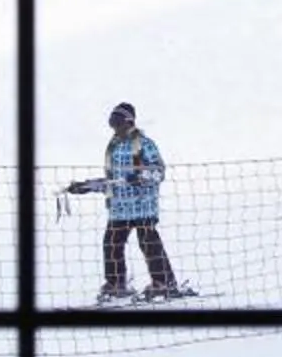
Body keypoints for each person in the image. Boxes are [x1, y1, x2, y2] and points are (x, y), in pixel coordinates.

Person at [66, 103, 191, 303]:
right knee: (112, 244)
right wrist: (87, 186)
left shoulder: (144, 144)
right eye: (112, 124)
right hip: (119, 209)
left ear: (129, 122)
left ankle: (164, 283)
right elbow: (111, 181)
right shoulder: (113, 147)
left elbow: (159, 171)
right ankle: (116, 285)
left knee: (149, 243)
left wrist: (142, 175)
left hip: (142, 207)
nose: (115, 129)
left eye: (118, 123)